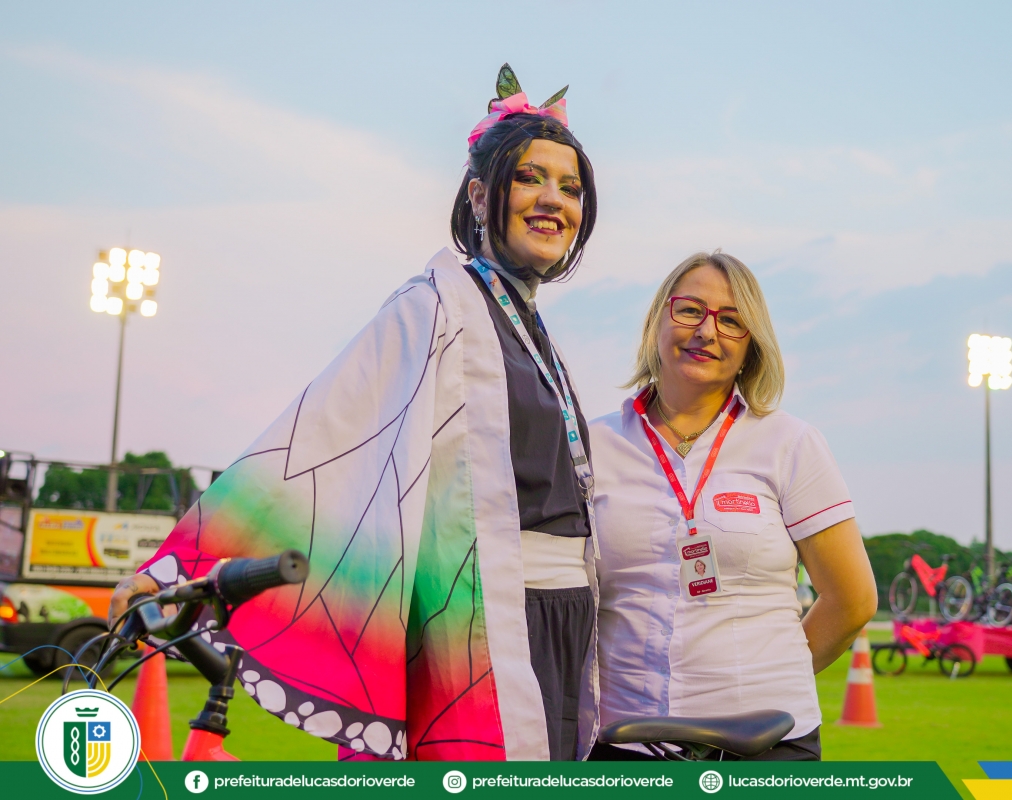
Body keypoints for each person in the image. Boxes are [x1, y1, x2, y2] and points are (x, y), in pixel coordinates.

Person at [108, 64, 600, 761]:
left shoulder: (531, 328)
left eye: (571, 188)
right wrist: (176, 573)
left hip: (565, 623)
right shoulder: (432, 307)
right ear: (479, 194)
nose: (554, 199)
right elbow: (321, 441)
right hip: (485, 623)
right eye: (530, 178)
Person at [583, 252, 877, 761]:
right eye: (689, 310)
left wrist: (769, 681)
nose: (706, 331)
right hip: (625, 741)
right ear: (657, 321)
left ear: (751, 345)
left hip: (765, 745)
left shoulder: (790, 443)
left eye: (731, 320)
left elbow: (852, 599)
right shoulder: (592, 445)